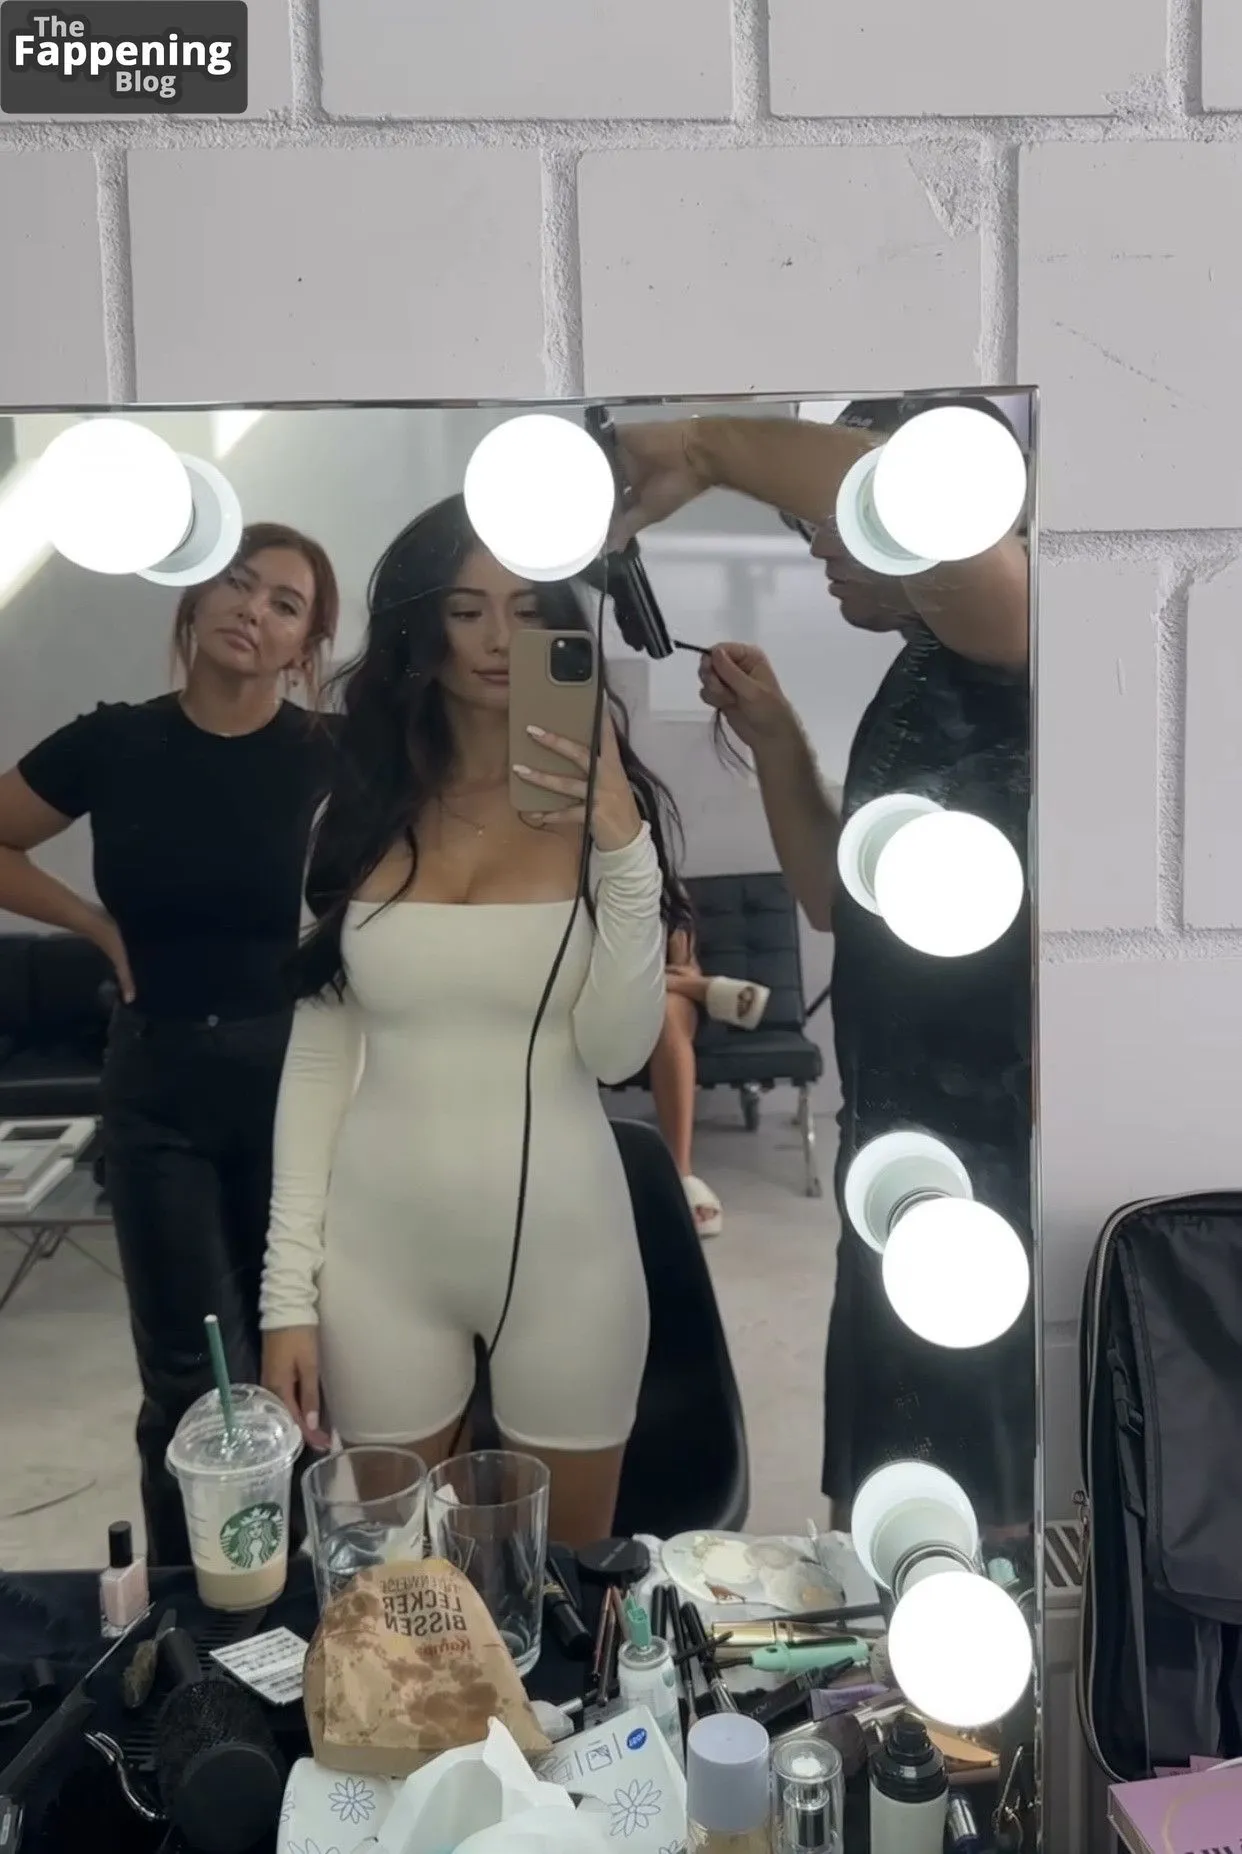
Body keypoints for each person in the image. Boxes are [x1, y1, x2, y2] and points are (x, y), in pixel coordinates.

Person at [610, 402, 1033, 1535]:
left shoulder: (1027, 640)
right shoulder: (924, 666)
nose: (820, 546)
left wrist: (700, 448)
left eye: (838, 516)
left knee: (991, 1487)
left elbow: (945, 522)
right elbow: (829, 900)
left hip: (998, 1164)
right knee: (885, 1480)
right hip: (895, 1152)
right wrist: (774, 733)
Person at [259, 493, 691, 1548]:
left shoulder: (606, 818)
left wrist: (624, 847)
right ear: (419, 628)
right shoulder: (352, 814)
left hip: (570, 1256)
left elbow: (617, 1051)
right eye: (465, 611)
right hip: (378, 1255)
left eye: (528, 609)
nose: (499, 639)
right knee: (394, 1592)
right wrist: (286, 1296)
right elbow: (319, 1060)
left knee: (566, 1590)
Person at [0, 524, 340, 1565]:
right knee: (192, 1381)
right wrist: (94, 925)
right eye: (238, 582)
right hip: (157, 1088)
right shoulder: (115, 741)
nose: (253, 608)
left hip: (295, 1082)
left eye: (285, 603)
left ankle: (297, 1590)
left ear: (305, 646)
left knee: (299, 1364)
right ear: (194, 598)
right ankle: (196, 1601)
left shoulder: (330, 752)